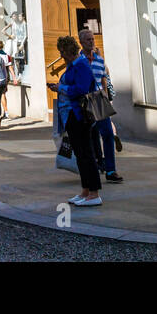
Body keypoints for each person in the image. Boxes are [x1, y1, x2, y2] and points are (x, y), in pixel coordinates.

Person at [49, 35, 101, 206]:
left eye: (62, 52)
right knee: (80, 155)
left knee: (86, 154)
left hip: (79, 114)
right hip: (71, 115)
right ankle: (85, 191)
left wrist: (61, 88)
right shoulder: (74, 65)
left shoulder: (81, 65)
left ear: (69, 51)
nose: (61, 56)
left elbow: (82, 88)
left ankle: (94, 193)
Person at [78, 28, 123, 183]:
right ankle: (94, 167)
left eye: (92, 39)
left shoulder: (99, 60)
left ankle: (111, 170)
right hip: (84, 100)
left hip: (98, 99)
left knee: (108, 134)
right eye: (88, 40)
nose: (92, 42)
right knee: (89, 137)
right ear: (81, 42)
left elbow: (103, 80)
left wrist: (105, 96)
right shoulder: (78, 60)